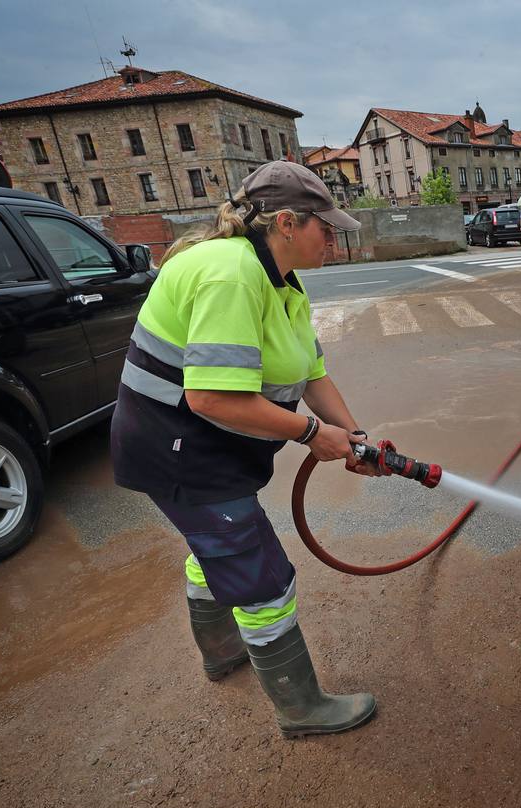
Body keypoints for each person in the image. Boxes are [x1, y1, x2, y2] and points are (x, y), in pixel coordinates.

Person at [110, 160, 386, 738]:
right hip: (178, 448)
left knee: (215, 552)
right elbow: (210, 397)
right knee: (262, 576)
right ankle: (301, 708)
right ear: (286, 222)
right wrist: (315, 436)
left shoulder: (283, 280)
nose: (333, 239)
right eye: (324, 227)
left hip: (208, 446)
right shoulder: (230, 274)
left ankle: (221, 651)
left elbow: (311, 373)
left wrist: (354, 436)